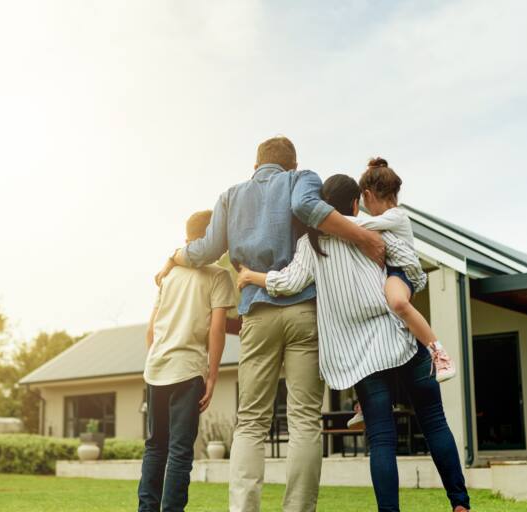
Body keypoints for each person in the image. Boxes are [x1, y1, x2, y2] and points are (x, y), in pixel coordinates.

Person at [156, 136, 385, 512]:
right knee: (305, 420)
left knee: (250, 422)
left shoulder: (231, 196)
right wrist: (364, 238)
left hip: (257, 314)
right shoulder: (302, 179)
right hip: (304, 312)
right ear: (293, 165)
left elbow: (207, 249)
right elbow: (306, 207)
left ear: (255, 166)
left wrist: (175, 256)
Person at [238, 174, 471, 512]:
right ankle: (460, 504)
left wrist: (250, 276)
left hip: (359, 358)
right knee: (434, 421)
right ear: (354, 203)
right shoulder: (370, 229)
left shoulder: (311, 243)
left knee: (381, 440)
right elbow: (412, 268)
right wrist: (407, 284)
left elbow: (287, 283)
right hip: (399, 339)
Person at [346, 157, 456, 431]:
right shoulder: (388, 218)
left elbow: (360, 228)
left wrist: (328, 218)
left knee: (396, 302)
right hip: (389, 276)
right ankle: (363, 401)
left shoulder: (396, 216)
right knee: (383, 339)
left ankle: (438, 352)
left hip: (401, 275)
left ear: (368, 196)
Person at [139, 210, 238, 512]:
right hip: (187, 370)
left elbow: (150, 331)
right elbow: (217, 329)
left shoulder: (169, 276)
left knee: (155, 446)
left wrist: (157, 356)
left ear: (187, 241)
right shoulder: (218, 276)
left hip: (156, 369)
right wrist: (211, 376)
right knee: (181, 451)